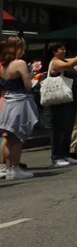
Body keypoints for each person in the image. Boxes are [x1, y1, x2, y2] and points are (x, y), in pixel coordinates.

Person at [44, 39, 77, 167]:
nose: (64, 51)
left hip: (69, 98)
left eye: (65, 49)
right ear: (54, 51)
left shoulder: (64, 60)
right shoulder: (55, 62)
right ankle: (56, 156)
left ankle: (65, 154)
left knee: (68, 127)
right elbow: (72, 63)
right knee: (58, 128)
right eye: (61, 49)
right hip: (59, 100)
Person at [0, 37, 39, 179]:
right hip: (20, 100)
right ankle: (15, 168)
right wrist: (31, 73)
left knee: (8, 138)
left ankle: (8, 168)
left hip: (8, 101)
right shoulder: (20, 63)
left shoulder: (4, 65)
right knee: (17, 138)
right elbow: (27, 85)